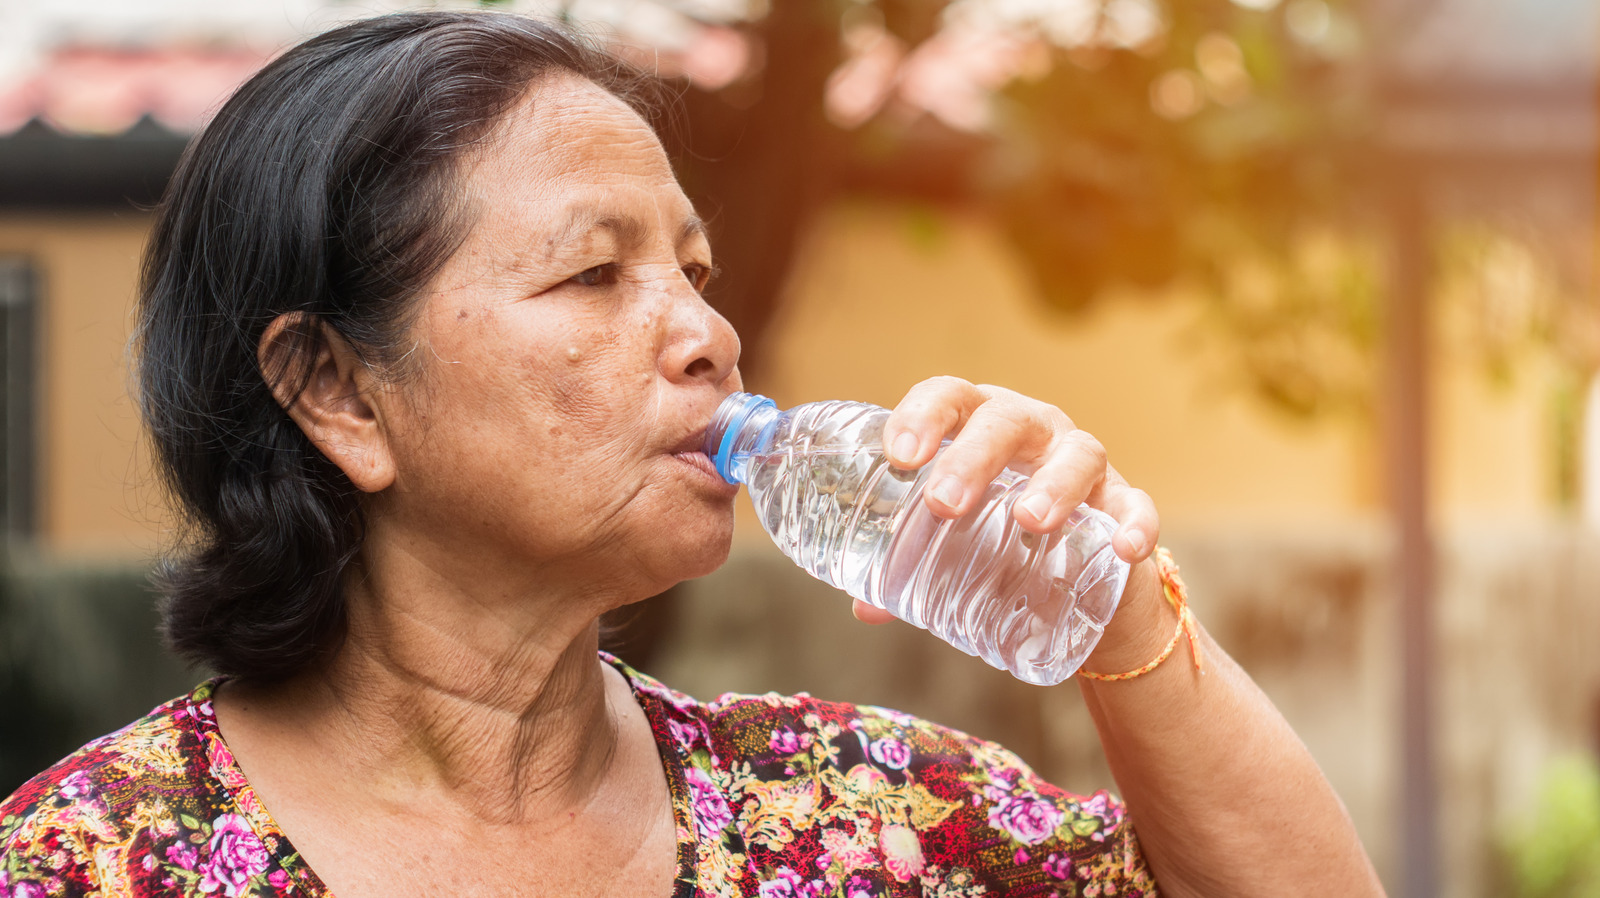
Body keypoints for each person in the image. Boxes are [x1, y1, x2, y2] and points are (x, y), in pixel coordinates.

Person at [0, 12, 1383, 898]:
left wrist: (1114, 594)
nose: (708, 333)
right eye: (595, 276)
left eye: (697, 270)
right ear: (336, 392)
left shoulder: (857, 821)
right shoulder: (90, 862)